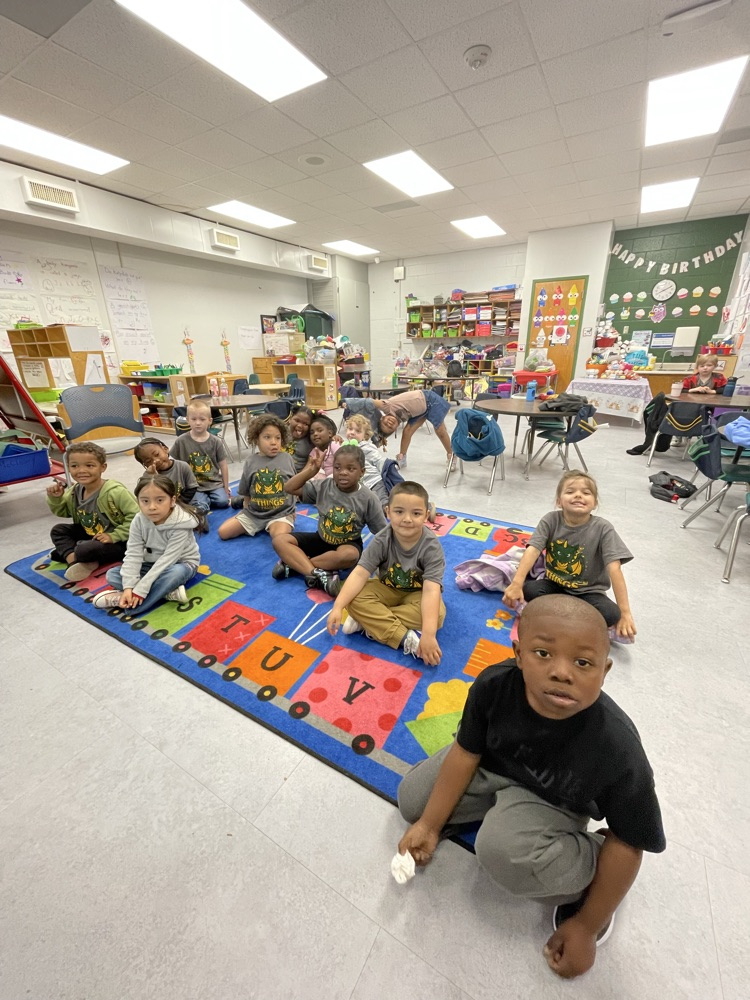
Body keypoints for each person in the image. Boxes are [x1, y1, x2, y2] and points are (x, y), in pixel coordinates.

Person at [397, 595, 665, 980]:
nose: (562, 672)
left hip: (553, 799)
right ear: (518, 653)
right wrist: (430, 825)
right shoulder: (493, 685)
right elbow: (465, 752)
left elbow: (632, 840)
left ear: (604, 672)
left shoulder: (616, 746)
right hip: (493, 768)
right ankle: (488, 811)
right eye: (543, 653)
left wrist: (588, 926)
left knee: (500, 851)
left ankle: (591, 860)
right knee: (413, 802)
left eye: (583, 663)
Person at [502, 471, 636, 640]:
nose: (578, 495)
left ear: (594, 503)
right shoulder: (550, 520)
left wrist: (625, 613)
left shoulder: (603, 528)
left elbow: (614, 569)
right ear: (559, 501)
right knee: (530, 590)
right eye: (570, 491)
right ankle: (573, 620)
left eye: (586, 493)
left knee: (611, 614)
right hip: (555, 585)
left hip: (589, 592)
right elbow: (533, 549)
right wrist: (516, 583)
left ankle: (557, 616)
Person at [327, 481, 445, 664]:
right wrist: (337, 606)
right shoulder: (383, 538)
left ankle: (368, 623)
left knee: (436, 616)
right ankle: (405, 637)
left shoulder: (432, 547)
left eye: (416, 513)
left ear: (426, 516)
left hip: (417, 594)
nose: (407, 519)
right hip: (385, 587)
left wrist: (429, 635)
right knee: (353, 598)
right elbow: (360, 573)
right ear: (388, 512)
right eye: (399, 512)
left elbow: (431, 591)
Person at [271, 444, 387, 596]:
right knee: (279, 541)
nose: (343, 473)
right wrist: (311, 470)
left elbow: (383, 533)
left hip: (347, 544)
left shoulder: (369, 498)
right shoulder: (325, 485)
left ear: (362, 472)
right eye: (337, 468)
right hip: (320, 539)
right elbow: (289, 488)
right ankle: (317, 572)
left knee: (350, 556)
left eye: (350, 469)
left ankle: (295, 565)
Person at [92, 475, 202, 612]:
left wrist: (140, 590)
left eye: (160, 500)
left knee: (176, 573)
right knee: (113, 574)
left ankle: (129, 604)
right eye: (145, 501)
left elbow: (168, 559)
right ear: (138, 501)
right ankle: (166, 593)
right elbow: (133, 554)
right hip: (150, 563)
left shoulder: (181, 524)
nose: (152, 507)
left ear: (172, 501)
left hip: (180, 564)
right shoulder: (138, 520)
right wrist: (128, 587)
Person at [46, 442, 138, 582]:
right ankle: (75, 561)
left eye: (89, 465)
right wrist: (56, 499)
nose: (81, 470)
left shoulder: (115, 492)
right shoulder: (75, 491)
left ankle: (74, 554)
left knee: (83, 550)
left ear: (103, 467)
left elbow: (137, 517)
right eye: (75, 466)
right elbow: (63, 513)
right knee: (58, 530)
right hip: (91, 536)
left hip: (120, 541)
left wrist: (114, 535)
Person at [218, 414, 296, 541]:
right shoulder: (250, 462)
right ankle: (258, 524)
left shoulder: (287, 458)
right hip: (255, 514)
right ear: (256, 439)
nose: (273, 442)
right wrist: (246, 510)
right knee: (223, 532)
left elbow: (294, 486)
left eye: (278, 438)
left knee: (280, 538)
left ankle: (274, 526)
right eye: (267, 437)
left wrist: (292, 511)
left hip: (281, 514)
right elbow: (246, 492)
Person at [346, 389, 453, 467]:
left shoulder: (387, 406)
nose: (390, 423)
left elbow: (368, 402)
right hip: (422, 411)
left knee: (440, 431)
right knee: (407, 431)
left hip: (430, 399)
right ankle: (402, 457)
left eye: (386, 422)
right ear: (395, 429)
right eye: (390, 427)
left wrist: (347, 403)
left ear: (383, 417)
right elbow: (380, 434)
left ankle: (451, 456)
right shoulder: (400, 419)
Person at [169, 399, 230, 513]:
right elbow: (173, 464)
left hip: (214, 483)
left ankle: (208, 498)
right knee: (200, 506)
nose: (198, 423)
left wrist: (226, 487)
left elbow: (223, 465)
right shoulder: (181, 441)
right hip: (193, 485)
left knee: (223, 502)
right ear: (187, 420)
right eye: (193, 419)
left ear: (209, 421)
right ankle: (204, 501)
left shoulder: (216, 441)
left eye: (202, 419)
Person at [342, 413, 390, 504]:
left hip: (374, 482)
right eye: (350, 429)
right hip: (358, 484)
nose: (352, 432)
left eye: (358, 431)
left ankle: (387, 511)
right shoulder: (345, 447)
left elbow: (378, 461)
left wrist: (387, 473)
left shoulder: (367, 447)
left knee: (381, 501)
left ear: (365, 436)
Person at [134, 436, 198, 502]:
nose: (156, 460)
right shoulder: (148, 475)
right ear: (145, 465)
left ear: (165, 449)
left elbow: (192, 488)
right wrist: (152, 478)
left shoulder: (182, 466)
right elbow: (142, 495)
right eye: (148, 461)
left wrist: (178, 504)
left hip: (184, 503)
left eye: (157, 454)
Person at [308, 412, 340, 480]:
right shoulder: (314, 452)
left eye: (320, 430)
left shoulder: (334, 445)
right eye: (312, 432)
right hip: (323, 480)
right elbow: (307, 469)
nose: (315, 434)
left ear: (330, 433)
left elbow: (343, 463)